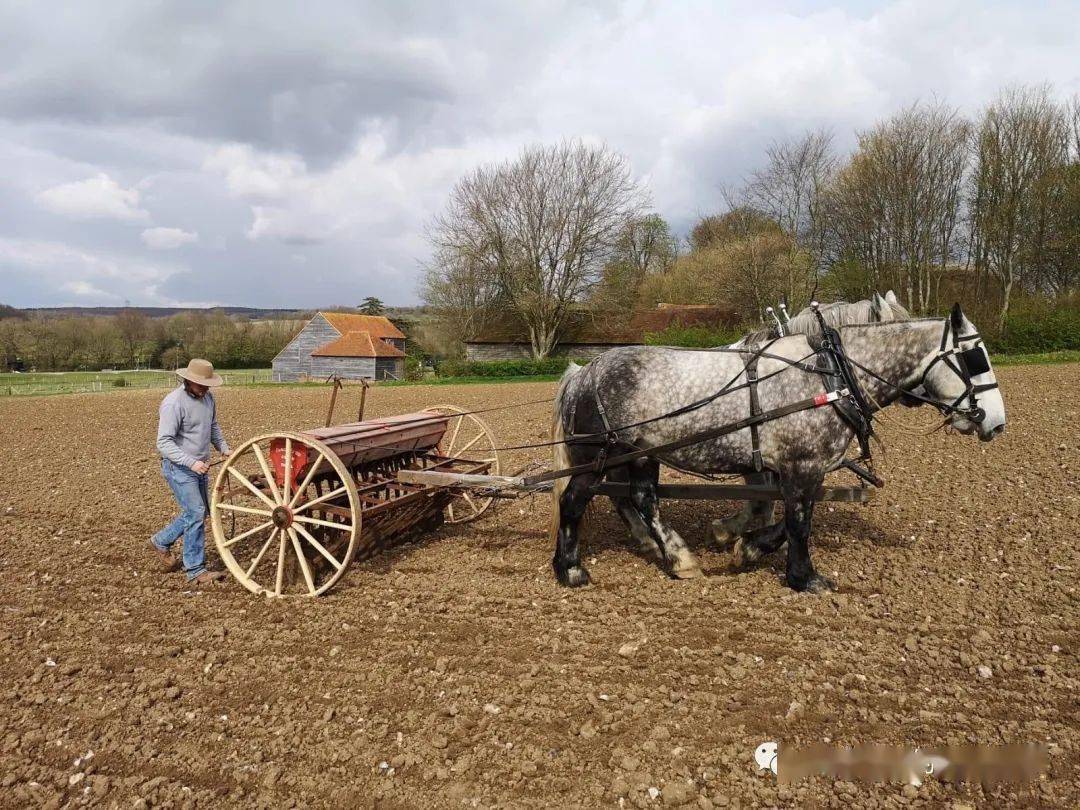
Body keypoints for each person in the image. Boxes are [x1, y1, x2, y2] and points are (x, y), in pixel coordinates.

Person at [150, 358, 231, 585]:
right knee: (195, 512)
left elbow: (212, 426)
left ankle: (161, 541)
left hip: (200, 467)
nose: (205, 389)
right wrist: (190, 462)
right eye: (200, 384)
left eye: (207, 385)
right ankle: (195, 569)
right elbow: (164, 442)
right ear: (188, 381)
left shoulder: (207, 398)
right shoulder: (174, 403)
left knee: (199, 512)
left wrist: (223, 447)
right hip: (179, 468)